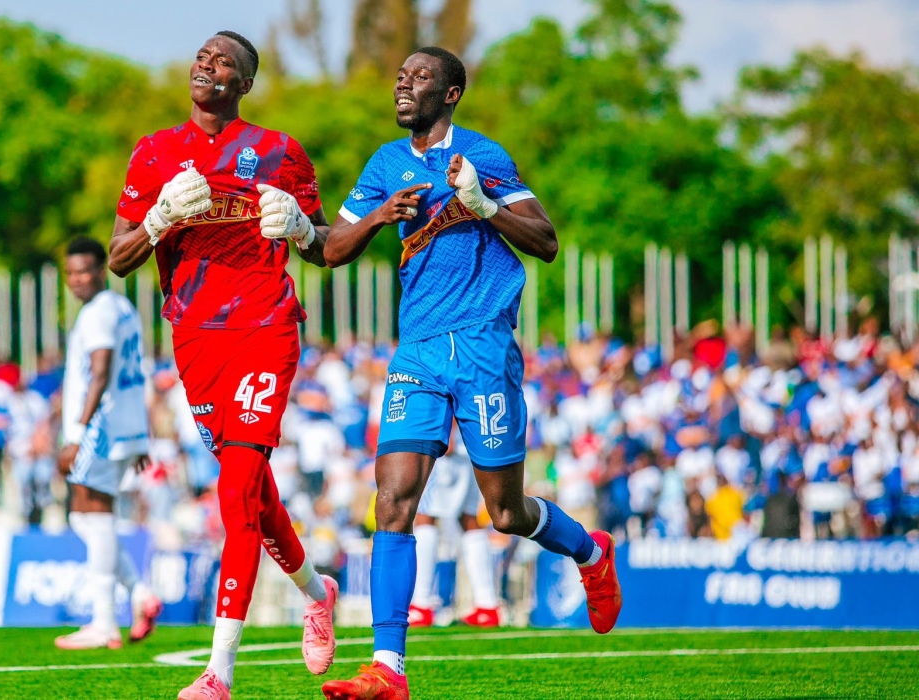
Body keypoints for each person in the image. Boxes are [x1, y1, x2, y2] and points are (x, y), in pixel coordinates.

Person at [321, 47, 622, 699]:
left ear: (451, 94)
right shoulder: (384, 164)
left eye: (420, 76)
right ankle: (388, 668)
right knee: (393, 500)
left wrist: (483, 204)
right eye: (399, 75)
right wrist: (376, 217)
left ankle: (592, 553)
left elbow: (545, 241)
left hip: (485, 345)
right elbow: (332, 251)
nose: (404, 83)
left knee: (505, 514)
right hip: (417, 350)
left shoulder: (483, 156)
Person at [108, 31, 338, 700]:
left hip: (266, 327)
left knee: (235, 487)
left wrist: (300, 228)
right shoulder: (154, 152)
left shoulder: (279, 151)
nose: (207, 66)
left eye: (224, 62)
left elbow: (326, 248)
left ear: (243, 85)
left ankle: (219, 673)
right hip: (195, 338)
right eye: (202, 57)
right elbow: (119, 258)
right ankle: (316, 591)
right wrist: (156, 223)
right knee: (253, 493)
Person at [54, 237, 162, 651]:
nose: (77, 279)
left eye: (85, 271)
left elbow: (99, 372)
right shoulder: (124, 308)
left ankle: (103, 622)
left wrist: (77, 434)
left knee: (93, 514)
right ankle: (138, 593)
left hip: (99, 427)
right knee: (85, 517)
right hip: (124, 423)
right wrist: (140, 433)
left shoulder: (98, 313)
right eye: (71, 272)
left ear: (101, 270)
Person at [409, 431, 502, 628]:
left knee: (425, 516)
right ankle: (487, 605)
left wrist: (446, 432)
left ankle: (421, 604)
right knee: (469, 519)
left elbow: (449, 398)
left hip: (443, 444)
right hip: (470, 443)